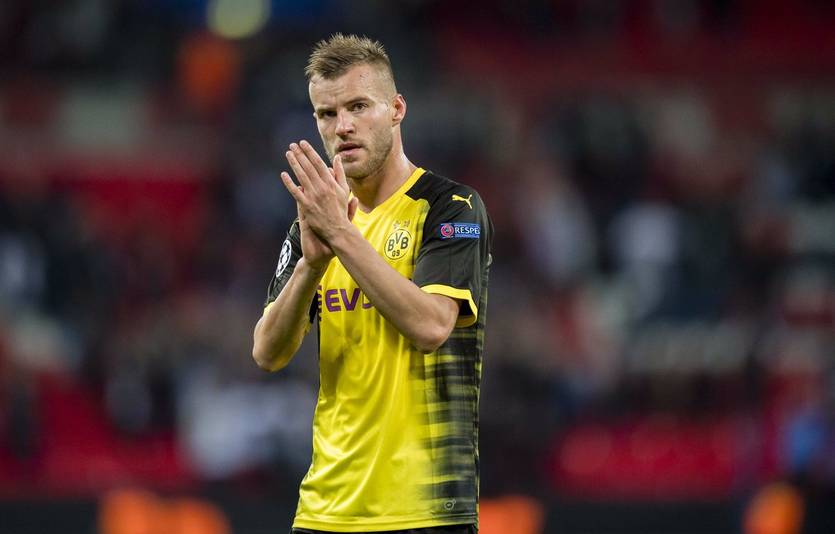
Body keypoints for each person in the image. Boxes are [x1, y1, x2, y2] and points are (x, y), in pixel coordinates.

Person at [252, 33, 492, 534]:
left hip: (426, 510)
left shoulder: (449, 208)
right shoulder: (315, 224)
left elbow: (431, 326)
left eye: (358, 106)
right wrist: (311, 265)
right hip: (325, 511)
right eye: (327, 113)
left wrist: (341, 235)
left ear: (396, 109)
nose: (343, 126)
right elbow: (267, 352)